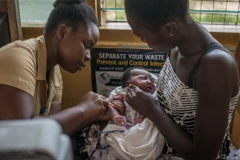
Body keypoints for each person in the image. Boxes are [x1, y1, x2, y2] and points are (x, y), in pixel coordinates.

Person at [113, 0, 240, 160]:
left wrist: (152, 109)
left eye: (144, 37)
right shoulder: (177, 45)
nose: (143, 41)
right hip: (158, 144)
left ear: (170, 28)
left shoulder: (215, 66)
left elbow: (204, 156)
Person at [0, 0, 108, 137]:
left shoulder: (54, 72)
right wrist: (83, 109)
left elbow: (56, 129)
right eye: (86, 46)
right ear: (62, 32)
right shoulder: (18, 58)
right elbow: (21, 133)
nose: (88, 57)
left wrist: (94, 115)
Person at [84, 67, 166, 160]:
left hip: (144, 128)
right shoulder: (124, 93)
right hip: (126, 125)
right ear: (129, 84)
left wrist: (144, 116)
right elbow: (109, 106)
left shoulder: (154, 96)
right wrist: (116, 115)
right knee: (114, 142)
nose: (149, 81)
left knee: (147, 143)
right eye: (143, 78)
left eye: (151, 80)